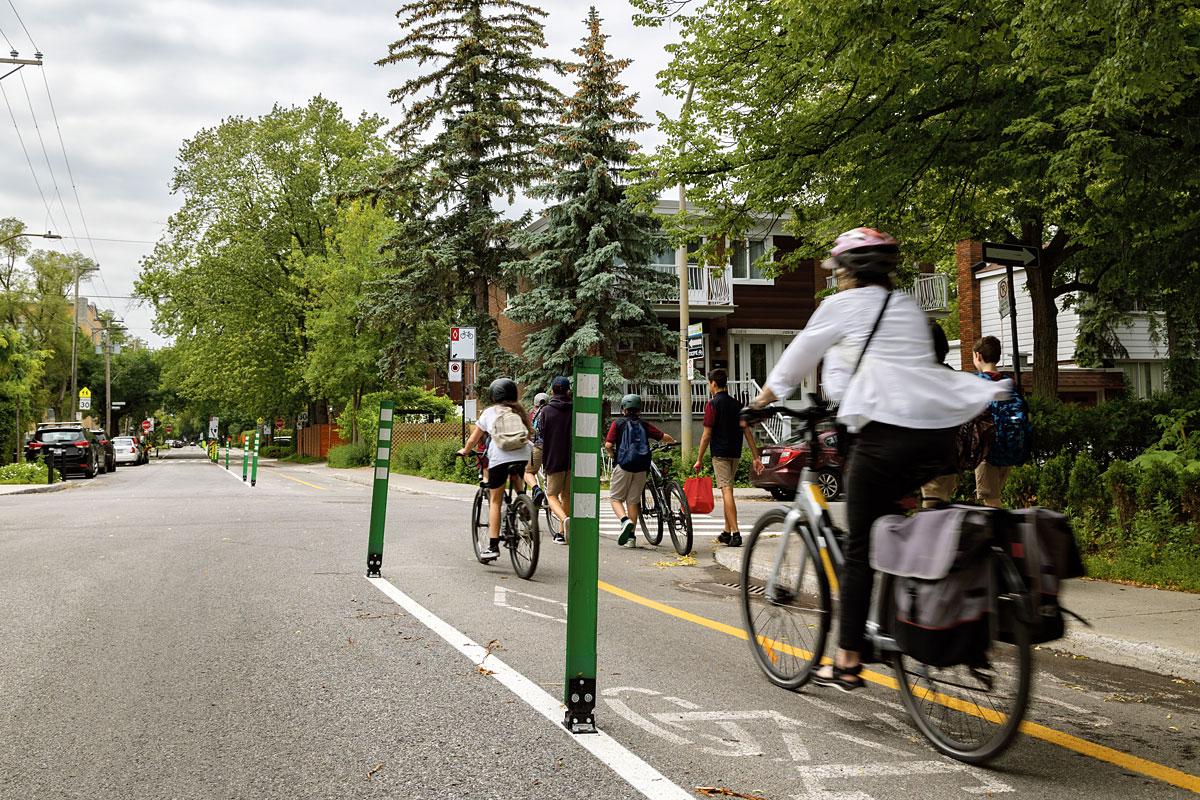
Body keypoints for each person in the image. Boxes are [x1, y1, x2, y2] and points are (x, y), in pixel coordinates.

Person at [749, 227, 1006, 692]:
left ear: (848, 271)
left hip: (884, 438)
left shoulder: (840, 306)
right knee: (892, 530)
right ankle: (900, 618)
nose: (837, 278)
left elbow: (796, 360)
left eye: (839, 270)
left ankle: (847, 660)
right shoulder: (907, 306)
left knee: (860, 547)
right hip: (937, 438)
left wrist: (762, 400)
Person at [458, 377, 533, 562]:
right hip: (523, 453)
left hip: (500, 457)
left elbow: (473, 439)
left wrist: (465, 451)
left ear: (494, 395)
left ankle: (492, 546)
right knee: (516, 476)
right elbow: (529, 433)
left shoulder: (489, 412)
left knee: (496, 501)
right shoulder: (520, 411)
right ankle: (523, 501)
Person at [693, 368, 763, 547]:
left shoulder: (712, 405)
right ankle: (726, 531)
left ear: (714, 384)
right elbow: (747, 432)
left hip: (720, 454)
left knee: (726, 492)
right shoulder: (738, 405)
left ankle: (736, 533)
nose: (709, 386)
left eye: (709, 383)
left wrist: (699, 458)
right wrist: (756, 457)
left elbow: (707, 434)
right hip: (735, 453)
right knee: (728, 491)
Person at [605, 394, 675, 547]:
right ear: (639, 410)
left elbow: (609, 445)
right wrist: (673, 441)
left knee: (615, 499)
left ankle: (624, 521)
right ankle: (631, 538)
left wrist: (612, 455)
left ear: (624, 409)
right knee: (633, 501)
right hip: (642, 467)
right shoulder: (644, 424)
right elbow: (663, 436)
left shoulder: (618, 424)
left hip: (623, 465)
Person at [972, 336, 1019, 509]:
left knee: (991, 503)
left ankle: (1008, 533)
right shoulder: (1008, 383)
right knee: (993, 499)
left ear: (978, 356)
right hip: (1007, 450)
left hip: (987, 453)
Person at [921, 321, 959, 508]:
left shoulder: (922, 378)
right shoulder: (951, 375)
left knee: (933, 519)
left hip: (929, 461)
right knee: (943, 511)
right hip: (950, 458)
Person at [538, 377, 573, 544]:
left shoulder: (546, 411)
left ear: (552, 391)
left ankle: (564, 519)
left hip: (554, 457)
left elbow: (541, 433)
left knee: (551, 494)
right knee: (566, 496)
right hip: (572, 460)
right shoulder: (575, 409)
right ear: (568, 391)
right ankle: (562, 533)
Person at [524, 392, 550, 492]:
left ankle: (536, 489)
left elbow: (528, 431)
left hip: (537, 447)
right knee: (549, 473)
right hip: (551, 447)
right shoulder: (551, 411)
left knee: (528, 472)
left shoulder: (531, 413)